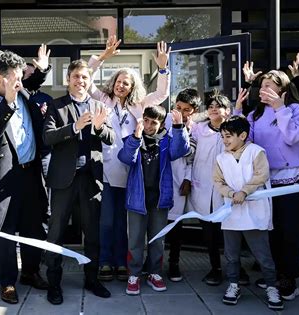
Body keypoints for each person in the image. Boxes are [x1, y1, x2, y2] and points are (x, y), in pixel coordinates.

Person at [87, 35, 171, 281]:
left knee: (127, 225)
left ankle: (123, 262)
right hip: (106, 171)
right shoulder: (103, 100)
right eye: (119, 81)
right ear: (113, 83)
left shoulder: (140, 107)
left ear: (133, 87)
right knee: (107, 221)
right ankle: (104, 261)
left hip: (133, 173)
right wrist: (101, 58)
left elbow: (162, 93)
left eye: (126, 83)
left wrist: (163, 67)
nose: (121, 85)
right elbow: (87, 81)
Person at [0, 50, 49, 305]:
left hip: (31, 173)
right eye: (14, 79)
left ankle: (30, 272)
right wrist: (9, 102)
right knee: (6, 233)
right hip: (5, 180)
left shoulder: (22, 90)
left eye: (19, 78)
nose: (19, 83)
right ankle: (7, 282)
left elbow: (33, 82)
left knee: (33, 226)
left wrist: (43, 70)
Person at [43, 59, 115, 305]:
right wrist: (74, 127)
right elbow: (48, 137)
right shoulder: (56, 106)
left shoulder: (99, 106)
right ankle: (54, 283)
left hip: (91, 181)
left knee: (92, 235)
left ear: (89, 80)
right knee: (56, 234)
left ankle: (92, 279)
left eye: (85, 77)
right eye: (76, 77)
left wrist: (99, 127)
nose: (80, 81)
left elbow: (111, 138)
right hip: (63, 181)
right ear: (68, 80)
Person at [234, 70, 299, 301]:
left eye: (269, 85)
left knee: (289, 230)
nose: (263, 89)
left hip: (291, 178)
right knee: (270, 229)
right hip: (266, 179)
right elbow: (244, 140)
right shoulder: (256, 114)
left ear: (282, 90)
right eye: (261, 85)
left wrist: (279, 108)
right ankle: (274, 274)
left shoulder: (295, 109)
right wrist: (238, 110)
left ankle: (290, 278)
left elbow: (293, 137)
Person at [118, 105, 190, 295]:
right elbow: (126, 158)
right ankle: (134, 274)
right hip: (137, 198)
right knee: (135, 238)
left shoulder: (167, 140)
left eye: (154, 122)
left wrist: (178, 127)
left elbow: (180, 150)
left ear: (161, 124)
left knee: (157, 238)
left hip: (160, 198)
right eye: (147, 121)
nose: (149, 126)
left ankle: (154, 273)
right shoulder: (132, 138)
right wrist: (136, 136)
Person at [213, 115, 283, 310]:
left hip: (255, 210)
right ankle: (233, 285)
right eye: (223, 137)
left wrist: (244, 191)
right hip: (231, 211)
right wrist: (231, 193)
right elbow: (218, 181)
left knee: (263, 254)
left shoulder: (256, 152)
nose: (225, 140)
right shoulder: (221, 157)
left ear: (243, 135)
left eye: (228, 136)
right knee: (231, 254)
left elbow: (262, 175)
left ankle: (271, 287)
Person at [189, 91, 229, 286]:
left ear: (227, 111)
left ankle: (234, 270)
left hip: (227, 190)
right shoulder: (198, 130)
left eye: (218, 106)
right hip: (203, 186)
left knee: (229, 232)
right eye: (211, 106)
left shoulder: (232, 131)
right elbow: (189, 155)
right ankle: (215, 269)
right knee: (209, 233)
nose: (213, 109)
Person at [164, 88, 201, 282]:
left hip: (180, 179)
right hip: (162, 178)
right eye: (178, 107)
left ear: (193, 111)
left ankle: (174, 263)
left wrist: (187, 178)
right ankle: (153, 262)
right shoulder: (164, 121)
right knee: (156, 224)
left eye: (186, 109)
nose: (181, 112)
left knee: (175, 225)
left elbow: (191, 158)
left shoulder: (196, 129)